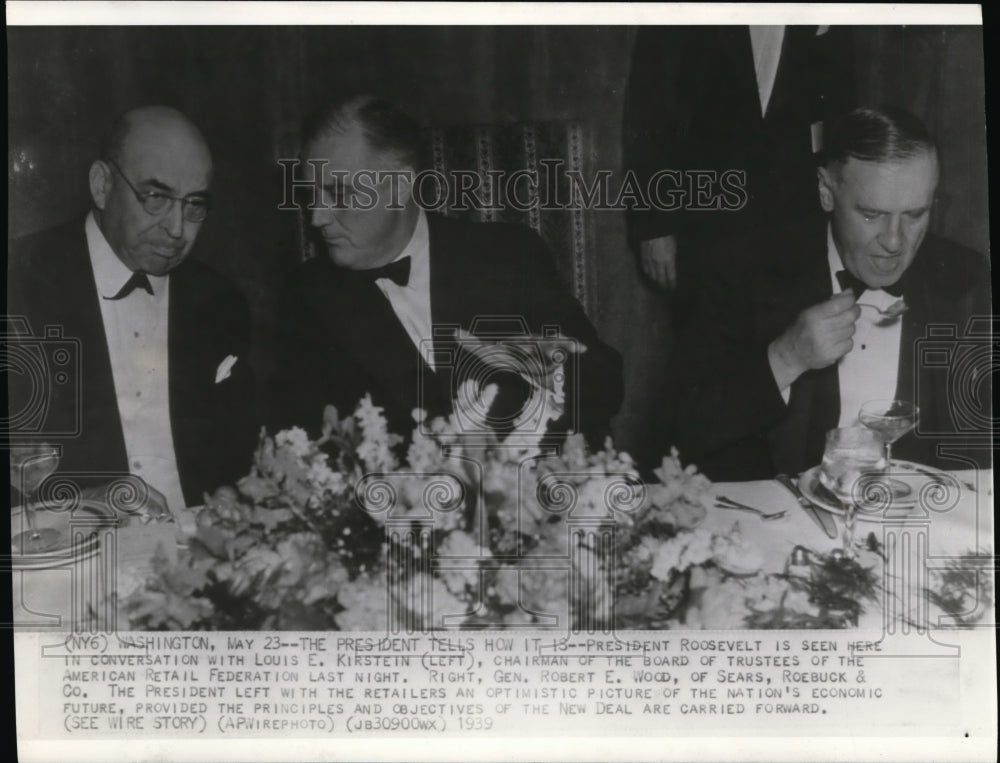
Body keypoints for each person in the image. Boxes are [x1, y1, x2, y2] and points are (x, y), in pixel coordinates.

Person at [272, 95, 624, 447]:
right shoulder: (307, 298)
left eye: (338, 193)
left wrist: (531, 365)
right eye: (310, 193)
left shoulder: (506, 255)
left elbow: (602, 384)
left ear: (399, 186)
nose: (317, 217)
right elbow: (302, 439)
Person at [673, 106, 991, 481]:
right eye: (871, 214)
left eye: (915, 214)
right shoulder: (742, 270)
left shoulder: (964, 276)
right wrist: (786, 357)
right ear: (826, 191)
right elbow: (683, 434)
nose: (894, 241)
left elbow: (981, 448)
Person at [6, 106, 256, 514]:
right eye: (156, 197)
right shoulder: (19, 280)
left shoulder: (220, 301)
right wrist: (78, 507)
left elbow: (240, 453)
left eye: (194, 205)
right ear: (102, 185)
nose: (177, 229)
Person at [623, 25, 855, 293]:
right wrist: (654, 226)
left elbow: (841, 108)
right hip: (706, 220)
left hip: (796, 221)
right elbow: (648, 110)